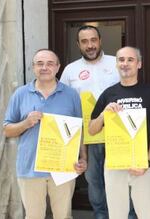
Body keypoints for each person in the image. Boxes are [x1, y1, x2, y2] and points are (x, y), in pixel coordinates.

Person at [3, 49, 87, 219]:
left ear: (58, 67)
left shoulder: (71, 94)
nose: (44, 67)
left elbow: (79, 129)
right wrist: (26, 123)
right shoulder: (20, 94)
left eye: (50, 63)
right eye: (39, 64)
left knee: (63, 216)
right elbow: (7, 130)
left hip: (64, 167)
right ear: (33, 67)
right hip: (30, 168)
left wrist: (83, 158)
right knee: (33, 216)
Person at [89, 46, 150, 219]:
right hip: (115, 164)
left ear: (139, 64)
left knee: (148, 214)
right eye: (121, 60)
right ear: (116, 64)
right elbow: (92, 130)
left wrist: (147, 160)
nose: (125, 64)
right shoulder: (109, 93)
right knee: (117, 214)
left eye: (130, 60)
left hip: (144, 163)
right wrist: (103, 114)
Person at [60, 25, 120, 219]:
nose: (90, 45)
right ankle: (100, 214)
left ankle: (122, 214)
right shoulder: (71, 70)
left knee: (118, 178)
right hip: (87, 134)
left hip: (117, 133)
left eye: (93, 40)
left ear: (100, 40)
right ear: (78, 44)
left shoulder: (117, 63)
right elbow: (64, 101)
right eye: (84, 41)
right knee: (93, 179)